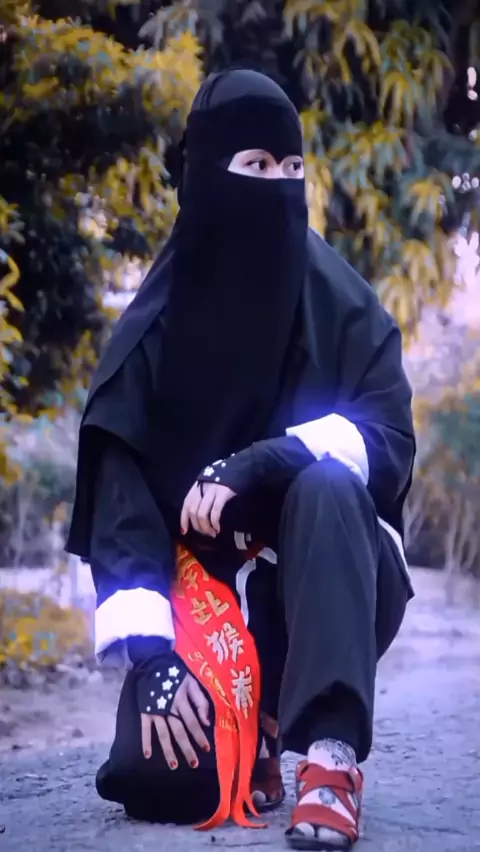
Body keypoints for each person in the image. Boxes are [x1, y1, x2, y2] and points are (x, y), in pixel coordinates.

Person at [67, 69, 415, 851]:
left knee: (326, 482)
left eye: (292, 168)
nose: (278, 185)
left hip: (334, 579)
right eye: (256, 165)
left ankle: (329, 759)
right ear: (206, 177)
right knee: (168, 780)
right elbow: (121, 497)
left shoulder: (345, 305)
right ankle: (248, 722)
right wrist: (153, 659)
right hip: (206, 601)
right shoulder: (155, 325)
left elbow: (387, 439)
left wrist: (265, 460)